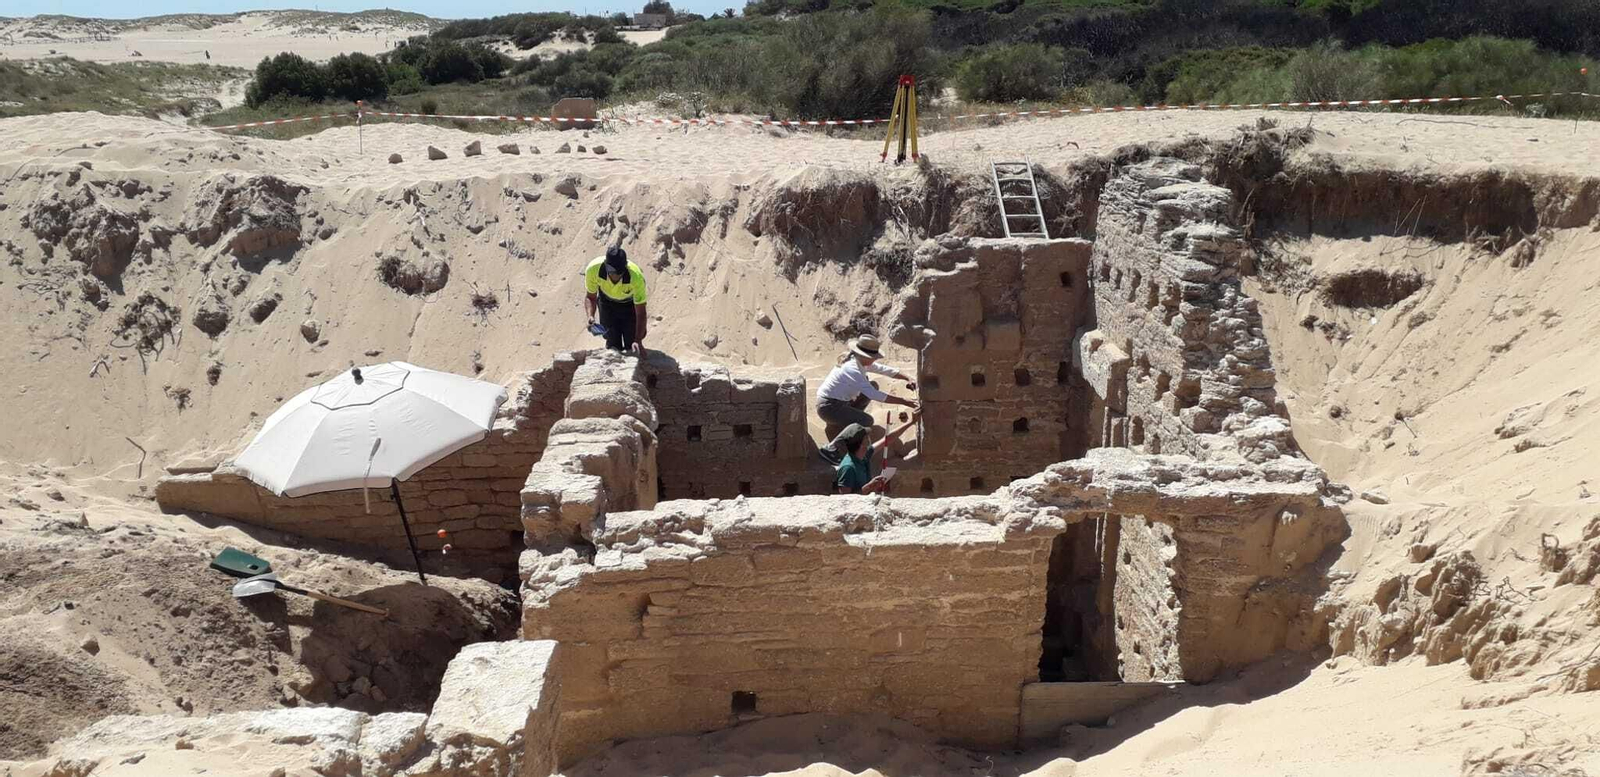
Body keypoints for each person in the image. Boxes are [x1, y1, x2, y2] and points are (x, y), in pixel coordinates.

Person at [816, 335, 917, 446]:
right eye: (873, 357)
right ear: (864, 356)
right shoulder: (852, 368)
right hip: (829, 408)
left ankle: (849, 421)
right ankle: (834, 449)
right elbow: (874, 395)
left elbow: (885, 370)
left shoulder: (859, 361)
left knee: (873, 385)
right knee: (867, 421)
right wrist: (904, 401)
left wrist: (908, 378)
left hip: (839, 402)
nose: (875, 359)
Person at [833, 412, 919, 495]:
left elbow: (887, 440)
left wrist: (910, 422)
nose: (869, 437)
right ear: (861, 443)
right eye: (866, 437)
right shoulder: (848, 468)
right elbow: (845, 499)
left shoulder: (864, 454)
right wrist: (869, 486)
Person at [583, 247, 648, 353]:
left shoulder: (636, 276)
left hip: (629, 306)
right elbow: (591, 297)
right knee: (612, 342)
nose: (616, 276)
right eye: (612, 272)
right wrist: (590, 316)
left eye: (620, 272)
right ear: (606, 266)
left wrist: (638, 340)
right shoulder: (593, 269)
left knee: (631, 344)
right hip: (607, 304)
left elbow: (641, 312)